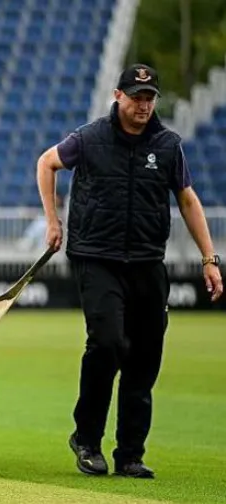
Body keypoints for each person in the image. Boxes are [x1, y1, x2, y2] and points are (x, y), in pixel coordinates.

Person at [35, 64, 223, 479]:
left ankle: (130, 454)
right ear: (118, 96)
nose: (143, 105)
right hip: (96, 257)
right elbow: (46, 163)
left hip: (146, 261)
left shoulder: (168, 146)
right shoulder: (89, 138)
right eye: (136, 97)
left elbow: (188, 200)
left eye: (149, 97)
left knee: (145, 357)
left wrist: (209, 259)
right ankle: (87, 439)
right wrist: (53, 221)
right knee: (106, 343)